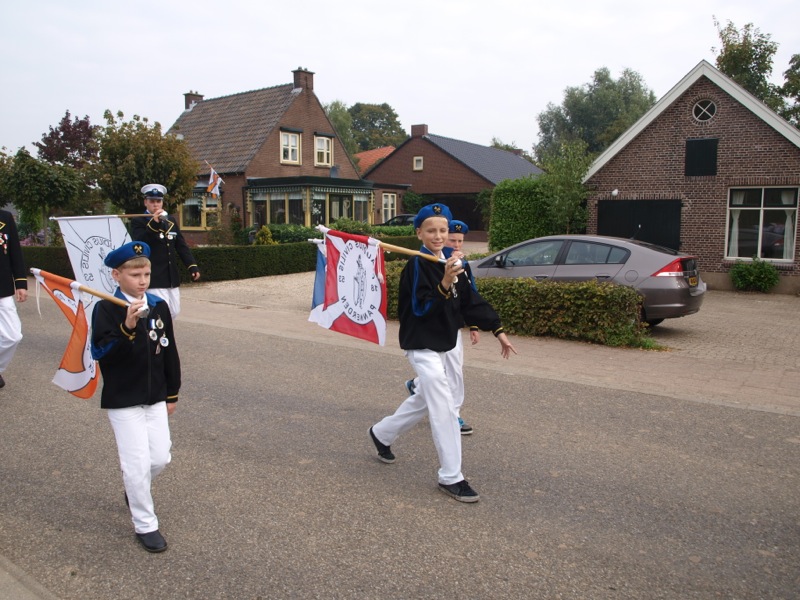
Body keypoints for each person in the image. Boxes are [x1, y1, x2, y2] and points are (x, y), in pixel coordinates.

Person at [370, 204, 516, 503]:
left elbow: (470, 301)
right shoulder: (416, 266)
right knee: (444, 402)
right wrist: (445, 282)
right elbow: (420, 308)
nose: (438, 236)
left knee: (424, 398)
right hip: (420, 344)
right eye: (431, 230)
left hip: (445, 342)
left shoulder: (453, 262)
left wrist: (497, 329)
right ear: (419, 233)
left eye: (442, 230)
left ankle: (382, 433)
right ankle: (452, 476)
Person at [91, 241, 181, 553]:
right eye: (134, 275)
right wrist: (127, 327)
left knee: (160, 458)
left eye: (146, 273)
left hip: (155, 396)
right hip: (123, 399)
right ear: (116, 275)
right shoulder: (105, 308)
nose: (142, 281)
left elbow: (168, 350)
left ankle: (134, 488)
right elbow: (102, 354)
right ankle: (145, 524)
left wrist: (172, 393)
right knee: (137, 464)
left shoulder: (158, 304)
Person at [404, 219, 479, 435]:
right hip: (432, 327)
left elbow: (469, 294)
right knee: (446, 371)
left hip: (453, 326)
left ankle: (424, 392)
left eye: (459, 241)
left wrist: (473, 324)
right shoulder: (432, 260)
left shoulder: (459, 262)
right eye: (452, 240)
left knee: (453, 370)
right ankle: (450, 413)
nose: (456, 245)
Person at [131, 184, 200, 319]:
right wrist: (154, 224)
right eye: (152, 201)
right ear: (146, 202)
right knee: (160, 313)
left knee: (174, 311)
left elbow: (181, 245)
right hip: (155, 276)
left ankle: (160, 335)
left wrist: (192, 265)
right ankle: (158, 339)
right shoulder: (138, 221)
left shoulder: (170, 221)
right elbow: (140, 243)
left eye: (158, 201)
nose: (155, 205)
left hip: (171, 277)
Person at [0, 209, 27, 389]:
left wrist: (21, 283)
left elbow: (15, 251)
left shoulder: (4, 217)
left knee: (13, 335)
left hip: (1, 287)